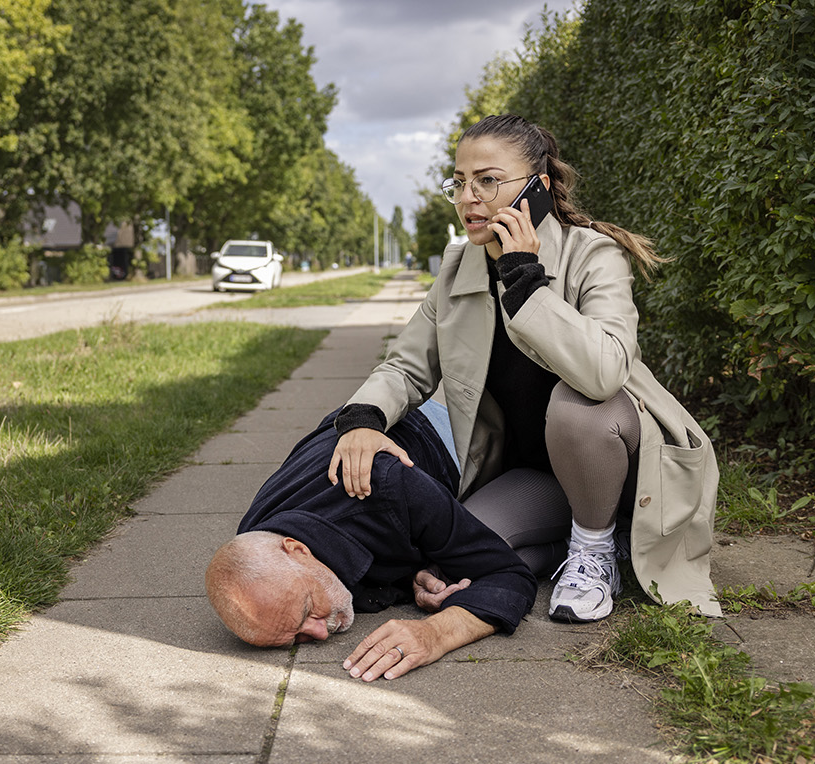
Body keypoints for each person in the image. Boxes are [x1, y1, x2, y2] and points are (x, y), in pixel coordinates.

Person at [329, 114, 721, 622]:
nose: (469, 197)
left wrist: (526, 282)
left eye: (488, 181)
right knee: (449, 565)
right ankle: (589, 548)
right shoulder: (456, 270)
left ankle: (596, 548)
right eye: (460, 182)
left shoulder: (594, 256)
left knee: (578, 407)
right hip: (538, 476)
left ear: (537, 189)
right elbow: (406, 367)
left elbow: (604, 374)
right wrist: (362, 420)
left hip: (621, 466)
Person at [205, 406, 536, 682]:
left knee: (498, 553)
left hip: (484, 428)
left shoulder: (387, 485)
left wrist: (435, 633)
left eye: (308, 611)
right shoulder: (257, 539)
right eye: (297, 637)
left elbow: (509, 575)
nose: (320, 634)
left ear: (297, 549)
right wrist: (409, 579)